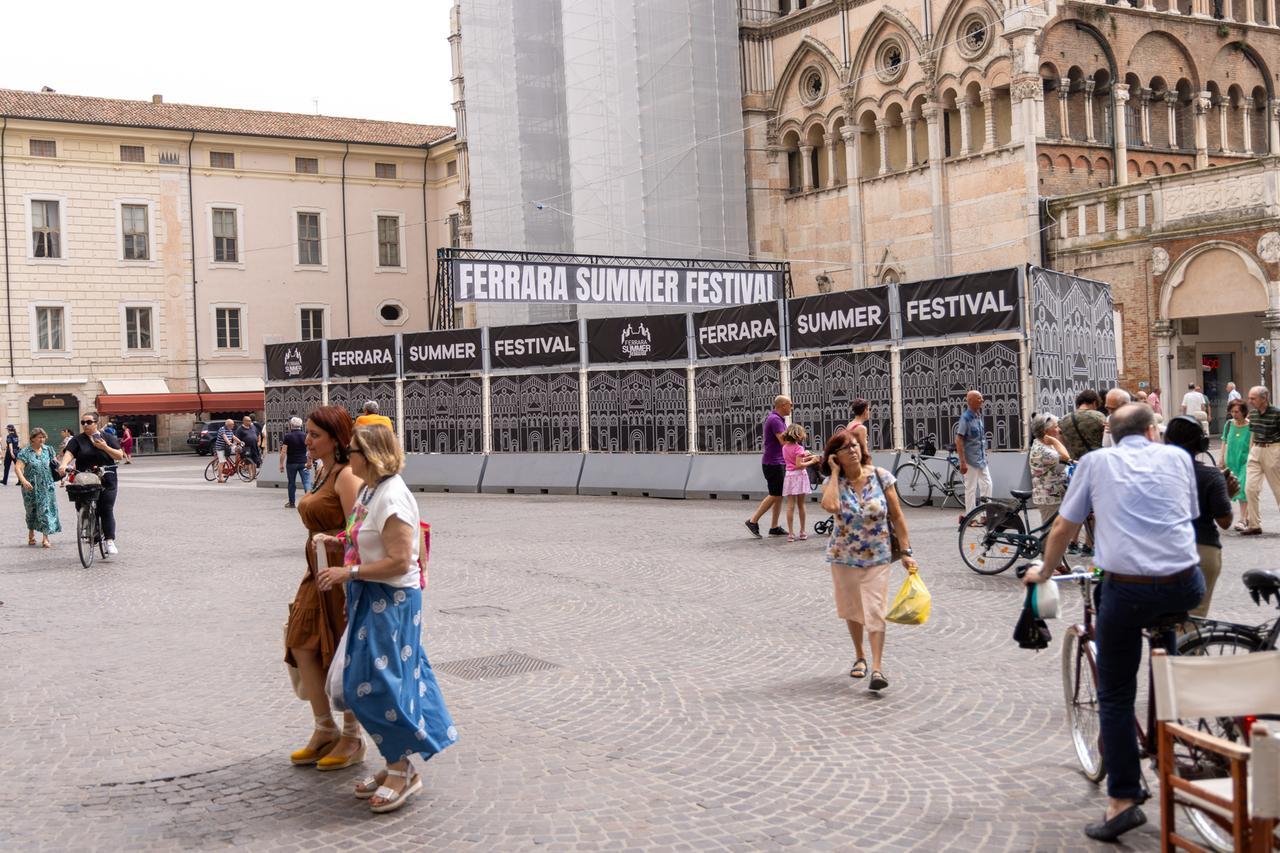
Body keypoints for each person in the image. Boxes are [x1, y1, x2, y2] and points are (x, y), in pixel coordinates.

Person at [1024, 404, 1204, 842]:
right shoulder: (1178, 458)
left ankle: (1123, 799)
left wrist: (1045, 571)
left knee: (1116, 693)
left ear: (1115, 434)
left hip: (1129, 587)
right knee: (1165, 643)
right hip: (1185, 582)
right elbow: (1188, 513)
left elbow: (1065, 526)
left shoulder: (1096, 462)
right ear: (1151, 430)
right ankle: (1173, 716)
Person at [315, 425, 457, 813]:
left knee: (379, 684)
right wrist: (339, 542)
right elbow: (365, 535)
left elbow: (399, 560)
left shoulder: (392, 496)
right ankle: (394, 762)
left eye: (354, 450)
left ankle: (401, 770)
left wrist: (349, 573)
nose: (348, 457)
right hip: (371, 598)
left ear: (372, 455)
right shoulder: (369, 490)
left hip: (391, 600)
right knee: (368, 681)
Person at [284, 406, 366, 771]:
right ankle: (324, 728)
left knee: (338, 651)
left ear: (336, 439)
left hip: (339, 576)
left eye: (316, 434)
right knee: (301, 642)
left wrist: (344, 566)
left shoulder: (346, 476)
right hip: (315, 572)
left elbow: (361, 533)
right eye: (309, 433)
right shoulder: (321, 472)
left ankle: (352, 736)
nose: (308, 440)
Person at [819, 427, 918, 692]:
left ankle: (877, 667)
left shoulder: (882, 477)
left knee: (875, 610)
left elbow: (897, 516)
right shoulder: (833, 484)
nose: (852, 449)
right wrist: (836, 473)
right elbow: (829, 507)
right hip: (844, 557)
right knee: (853, 610)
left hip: (878, 555)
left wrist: (907, 552)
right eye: (845, 447)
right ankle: (859, 655)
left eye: (855, 445)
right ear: (835, 456)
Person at [1165, 415, 1232, 617]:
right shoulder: (1212, 476)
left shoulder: (1152, 474)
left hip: (1161, 549)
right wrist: (1227, 495)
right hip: (1203, 548)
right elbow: (1225, 521)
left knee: (1164, 619)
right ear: (1201, 444)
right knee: (1194, 619)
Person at [59, 412, 125, 556]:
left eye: (89, 422)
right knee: (82, 504)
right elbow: (69, 454)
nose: (85, 425)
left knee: (106, 508)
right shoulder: (77, 440)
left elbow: (119, 455)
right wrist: (63, 465)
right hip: (85, 477)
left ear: (96, 423)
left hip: (107, 476)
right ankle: (90, 529)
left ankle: (109, 540)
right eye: (83, 423)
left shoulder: (107, 437)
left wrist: (105, 447)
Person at [745, 396, 791, 538]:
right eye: (790, 405)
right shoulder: (775, 420)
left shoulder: (777, 419)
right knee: (775, 494)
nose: (791, 407)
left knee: (778, 495)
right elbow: (784, 442)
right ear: (783, 405)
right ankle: (753, 521)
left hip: (777, 462)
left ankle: (774, 526)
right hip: (773, 463)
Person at [1241, 385, 1280, 536]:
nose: (1250, 401)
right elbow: (1253, 434)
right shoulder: (1253, 414)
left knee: (1278, 489)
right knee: (1250, 488)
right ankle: (1254, 524)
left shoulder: (1277, 414)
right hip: (1256, 450)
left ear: (1264, 399)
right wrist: (1251, 451)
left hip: (1273, 450)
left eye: (1253, 398)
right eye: (1250, 398)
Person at [16, 427, 61, 547]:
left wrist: (62, 472)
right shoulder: (25, 452)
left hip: (47, 485)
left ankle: (45, 538)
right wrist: (23, 481)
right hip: (30, 486)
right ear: (33, 439)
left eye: (43, 437)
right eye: (39, 437)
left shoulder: (49, 450)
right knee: (31, 511)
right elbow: (18, 468)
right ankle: (31, 533)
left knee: (45, 509)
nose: (42, 439)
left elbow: (55, 464)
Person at [1028, 413, 1072, 527]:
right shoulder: (1043, 450)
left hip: (1055, 494)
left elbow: (1065, 460)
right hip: (1049, 498)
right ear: (1046, 432)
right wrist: (1055, 441)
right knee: (1049, 534)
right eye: (1056, 427)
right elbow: (1065, 457)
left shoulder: (1043, 444)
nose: (1059, 430)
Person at [780, 424, 819, 543]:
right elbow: (799, 465)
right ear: (798, 435)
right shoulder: (799, 448)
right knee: (801, 505)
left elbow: (792, 462)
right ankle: (802, 531)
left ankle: (791, 533)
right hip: (800, 476)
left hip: (789, 476)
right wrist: (812, 460)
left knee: (790, 506)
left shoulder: (785, 447)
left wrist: (805, 457)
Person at [954, 390, 991, 513]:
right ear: (970, 401)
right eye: (979, 398)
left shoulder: (978, 416)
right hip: (970, 460)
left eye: (981, 398)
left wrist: (984, 455)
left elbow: (980, 440)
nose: (982, 400)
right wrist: (962, 462)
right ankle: (970, 517)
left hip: (980, 459)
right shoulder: (966, 418)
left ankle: (986, 514)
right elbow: (959, 440)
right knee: (971, 489)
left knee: (987, 485)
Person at [1221, 398, 1251, 530]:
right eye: (1232, 411)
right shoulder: (1228, 425)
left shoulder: (1250, 426)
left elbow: (1252, 444)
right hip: (1231, 462)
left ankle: (1243, 519)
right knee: (1236, 490)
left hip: (1246, 461)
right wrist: (1221, 458)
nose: (1234, 414)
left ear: (1243, 412)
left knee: (1243, 488)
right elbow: (1224, 441)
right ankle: (1248, 516)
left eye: (1237, 411)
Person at [1058, 389, 1106, 461]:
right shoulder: (1098, 416)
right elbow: (1106, 438)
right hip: (1097, 461)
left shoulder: (1063, 420)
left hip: (1076, 463)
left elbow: (1061, 442)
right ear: (1094, 402)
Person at [279, 416, 312, 508]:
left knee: (291, 483)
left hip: (291, 463)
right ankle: (309, 501)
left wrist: (281, 464)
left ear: (291, 425)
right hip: (303, 462)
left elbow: (283, 451)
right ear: (301, 425)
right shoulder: (305, 435)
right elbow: (309, 450)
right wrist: (309, 461)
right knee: (306, 482)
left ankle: (292, 503)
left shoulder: (288, 436)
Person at [843, 398, 873, 464]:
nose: (869, 412)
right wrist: (870, 467)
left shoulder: (850, 424)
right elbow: (864, 452)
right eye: (869, 409)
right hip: (857, 463)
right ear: (865, 410)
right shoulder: (861, 428)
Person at [213, 419, 239, 483]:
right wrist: (229, 443)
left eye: (233, 424)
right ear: (228, 425)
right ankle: (220, 478)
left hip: (227, 447)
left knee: (238, 449)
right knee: (222, 461)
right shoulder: (222, 429)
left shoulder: (230, 430)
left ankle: (236, 465)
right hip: (220, 447)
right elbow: (225, 437)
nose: (233, 425)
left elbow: (233, 437)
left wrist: (240, 441)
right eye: (232, 424)